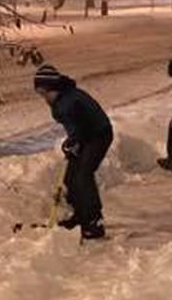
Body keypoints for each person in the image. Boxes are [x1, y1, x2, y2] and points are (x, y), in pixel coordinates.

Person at [33, 64, 113, 241]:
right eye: (40, 94)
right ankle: (80, 215)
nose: (44, 98)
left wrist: (74, 141)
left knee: (83, 174)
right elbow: (76, 129)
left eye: (45, 93)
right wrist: (72, 142)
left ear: (54, 88)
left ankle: (94, 221)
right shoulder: (61, 98)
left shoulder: (70, 102)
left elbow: (83, 126)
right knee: (70, 176)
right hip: (85, 136)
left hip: (99, 135)